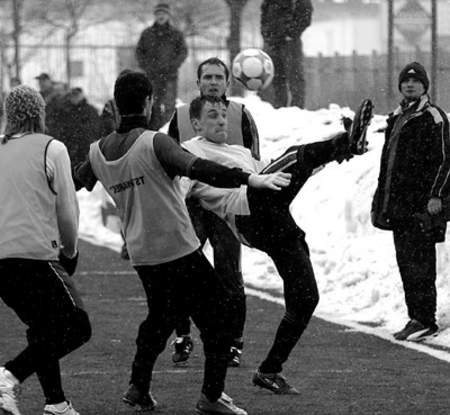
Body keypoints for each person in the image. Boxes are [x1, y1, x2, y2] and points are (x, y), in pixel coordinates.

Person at [74, 71, 289, 414]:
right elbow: (200, 168)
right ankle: (212, 396)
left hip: (143, 254)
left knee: (160, 318)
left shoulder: (97, 152)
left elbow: (73, 182)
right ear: (148, 102)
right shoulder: (154, 142)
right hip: (177, 248)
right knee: (218, 318)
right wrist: (248, 177)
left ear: (115, 104)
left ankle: (138, 387)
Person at [180, 94, 373, 394]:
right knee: (296, 154)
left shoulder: (239, 151)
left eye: (223, 115)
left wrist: (327, 160)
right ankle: (346, 142)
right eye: (212, 115)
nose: (220, 120)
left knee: (307, 297)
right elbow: (177, 195)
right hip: (247, 212)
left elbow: (277, 172)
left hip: (275, 220)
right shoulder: (189, 153)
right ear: (195, 123)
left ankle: (270, 369)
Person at [0, 85, 91, 415]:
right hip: (34, 255)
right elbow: (68, 209)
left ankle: (56, 403)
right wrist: (70, 250)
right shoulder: (52, 148)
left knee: (43, 329)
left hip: (2, 262)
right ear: (40, 112)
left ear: (9, 116)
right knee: (77, 327)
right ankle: (9, 375)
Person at [167, 57, 260, 367]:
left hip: (225, 208)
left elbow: (255, 163)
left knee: (229, 272)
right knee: (180, 270)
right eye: (207, 77)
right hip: (190, 205)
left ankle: (234, 342)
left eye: (218, 77)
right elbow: (166, 163)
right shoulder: (180, 117)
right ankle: (183, 335)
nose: (213, 82)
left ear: (227, 82)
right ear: (198, 82)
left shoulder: (241, 116)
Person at [371, 62, 450, 342]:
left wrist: (436, 195)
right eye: (406, 81)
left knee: (421, 264)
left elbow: (445, 160)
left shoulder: (434, 116)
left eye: (416, 82)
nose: (410, 85)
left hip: (422, 207)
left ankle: (425, 319)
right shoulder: (397, 117)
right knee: (406, 263)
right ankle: (415, 316)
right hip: (399, 207)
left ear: (425, 86)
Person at [136, 2, 188, 130]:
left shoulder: (176, 34)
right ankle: (153, 130)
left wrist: (173, 66)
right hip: (151, 76)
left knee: (169, 105)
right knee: (152, 105)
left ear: (168, 15)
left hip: (170, 76)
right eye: (158, 13)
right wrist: (147, 66)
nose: (161, 16)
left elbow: (183, 52)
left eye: (163, 13)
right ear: (154, 15)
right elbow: (139, 52)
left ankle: (167, 130)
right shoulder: (146, 34)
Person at [99, 69, 133, 260]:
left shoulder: (140, 102)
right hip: (121, 157)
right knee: (125, 203)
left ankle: (131, 241)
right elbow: (106, 129)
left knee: (128, 204)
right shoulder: (112, 106)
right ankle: (128, 241)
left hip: (128, 156)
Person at [260, 0, 313, 109]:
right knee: (277, 79)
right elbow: (264, 15)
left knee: (295, 77)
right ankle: (279, 108)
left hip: (289, 43)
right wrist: (266, 34)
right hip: (273, 41)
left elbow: (305, 15)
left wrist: (291, 33)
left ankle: (296, 110)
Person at [46, 87, 101, 171]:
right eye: (72, 95)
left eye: (76, 95)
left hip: (84, 148)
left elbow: (96, 129)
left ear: (81, 96)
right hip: (70, 148)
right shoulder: (64, 110)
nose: (74, 97)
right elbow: (59, 128)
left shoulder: (90, 111)